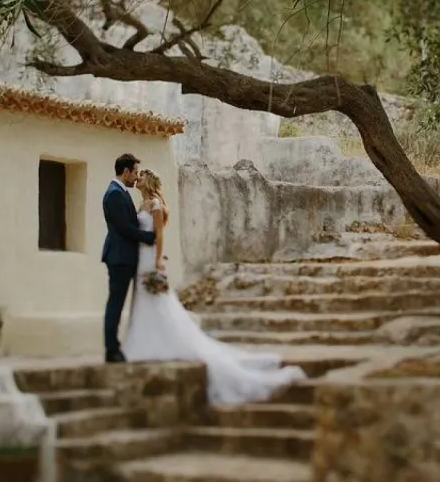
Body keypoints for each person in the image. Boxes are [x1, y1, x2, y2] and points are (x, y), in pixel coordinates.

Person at [122, 168, 307, 405]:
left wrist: (158, 260)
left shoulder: (156, 204)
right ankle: (143, 340)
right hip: (141, 257)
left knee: (158, 300)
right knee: (143, 298)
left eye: (140, 176)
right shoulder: (142, 204)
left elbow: (159, 236)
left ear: (148, 181)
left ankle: (162, 341)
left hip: (151, 258)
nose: (137, 179)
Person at [101, 153, 156, 363]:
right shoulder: (114, 193)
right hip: (119, 257)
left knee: (118, 302)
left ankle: (114, 346)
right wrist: (148, 237)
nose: (135, 177)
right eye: (134, 173)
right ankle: (111, 349)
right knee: (116, 302)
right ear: (125, 171)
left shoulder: (120, 191)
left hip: (125, 256)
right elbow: (124, 227)